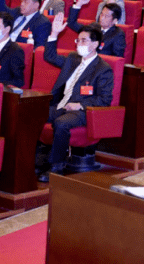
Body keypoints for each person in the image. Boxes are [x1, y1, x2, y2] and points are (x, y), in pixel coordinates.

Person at [36, 24, 115, 182]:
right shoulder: (73, 59)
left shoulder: (103, 69)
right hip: (61, 104)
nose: (79, 44)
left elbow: (105, 100)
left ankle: (56, 166)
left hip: (82, 110)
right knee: (33, 114)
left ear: (95, 44)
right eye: (77, 40)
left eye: (83, 41)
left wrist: (79, 105)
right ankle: (38, 159)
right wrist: (54, 33)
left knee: (61, 123)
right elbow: (49, 56)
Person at [62, 0, 126, 57]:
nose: (102, 18)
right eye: (101, 14)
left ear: (115, 20)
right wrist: (79, 4)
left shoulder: (118, 34)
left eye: (106, 16)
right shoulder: (94, 26)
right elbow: (71, 23)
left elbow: (117, 58)